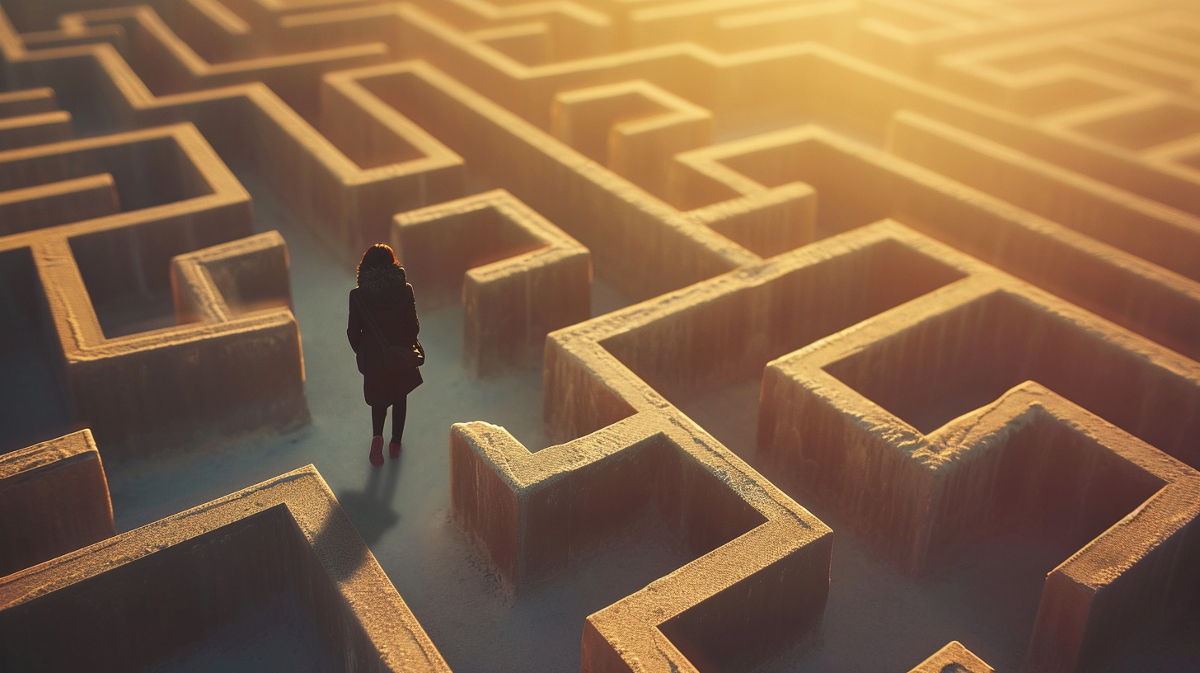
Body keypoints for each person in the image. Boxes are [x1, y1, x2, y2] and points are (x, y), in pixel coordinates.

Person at [347, 244, 422, 467]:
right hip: (399, 357)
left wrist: (364, 352)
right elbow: (413, 328)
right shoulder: (405, 289)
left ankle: (377, 438)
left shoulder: (357, 296)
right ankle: (395, 445)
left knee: (378, 402)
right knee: (400, 398)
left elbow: (353, 332)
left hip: (374, 359)